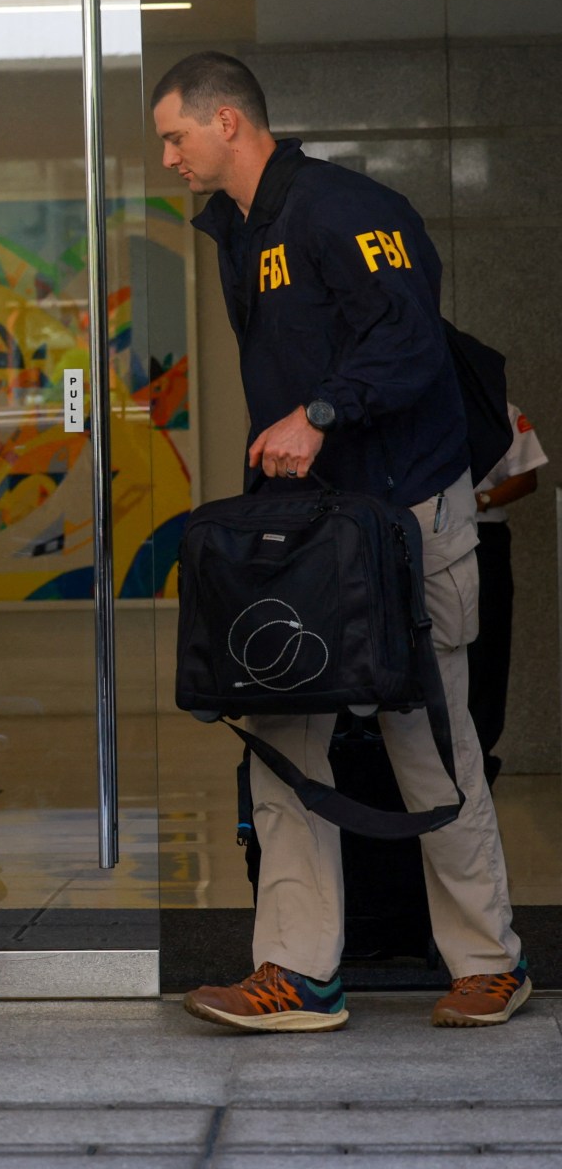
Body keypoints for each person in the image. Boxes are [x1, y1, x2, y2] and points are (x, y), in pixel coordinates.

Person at [153, 52, 526, 1033]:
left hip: (405, 516)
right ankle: (297, 972)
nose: (169, 158)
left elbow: (408, 341)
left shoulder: (344, 207)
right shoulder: (240, 229)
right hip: (313, 529)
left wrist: (320, 412)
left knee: (428, 742)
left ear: (227, 121)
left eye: (175, 137)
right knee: (286, 742)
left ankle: (490, 961)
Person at [469, 403, 547, 784]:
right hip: (424, 540)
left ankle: (480, 756)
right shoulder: (416, 401)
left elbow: (528, 476)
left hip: (484, 536)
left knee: (487, 648)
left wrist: (481, 500)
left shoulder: (500, 408)